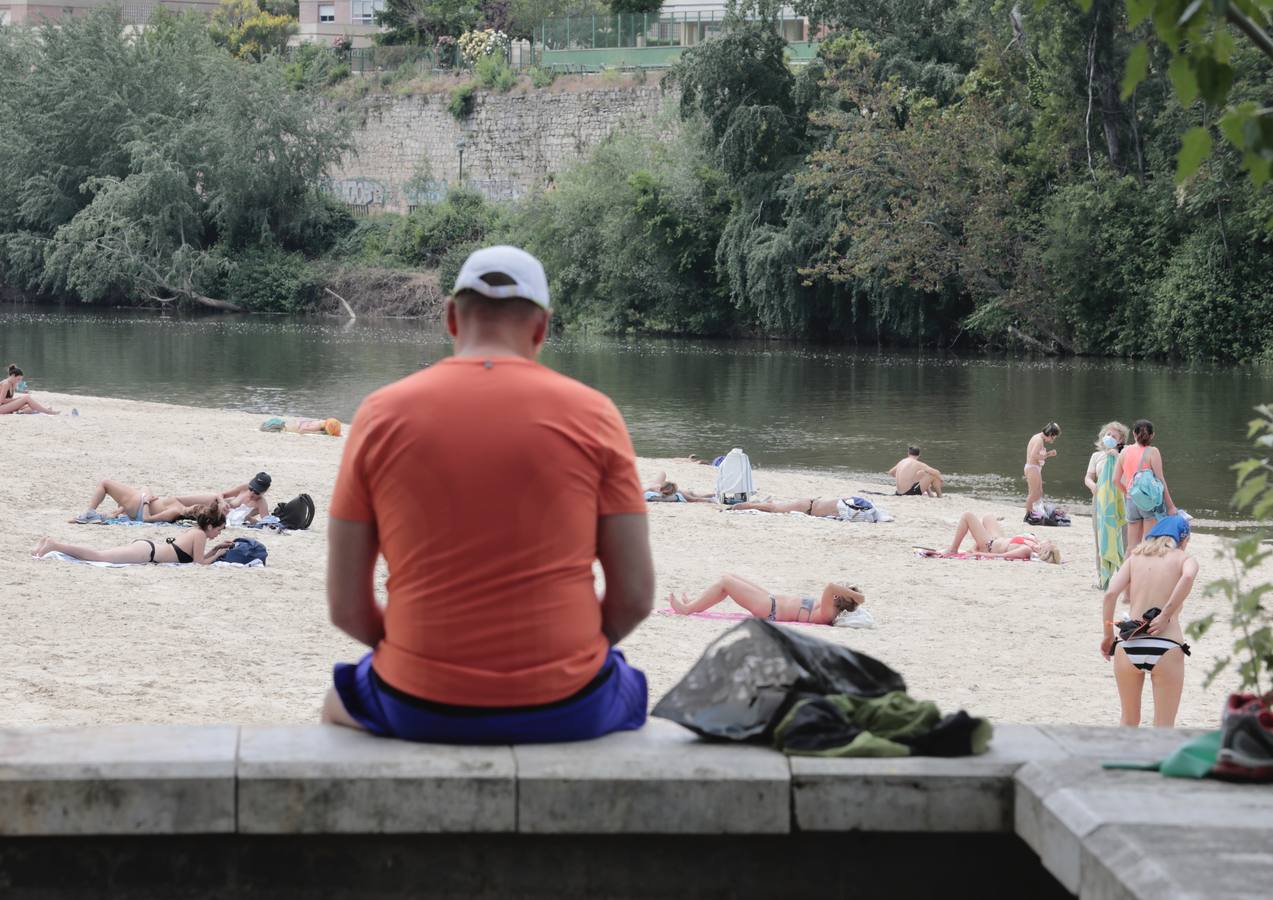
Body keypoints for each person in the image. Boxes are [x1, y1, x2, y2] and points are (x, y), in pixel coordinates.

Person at [323, 245, 654, 744]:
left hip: (417, 701)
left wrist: (416, 659)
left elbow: (346, 607)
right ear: (541, 328)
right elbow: (634, 596)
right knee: (629, 683)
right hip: (569, 703)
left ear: (451, 318)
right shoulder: (597, 416)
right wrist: (568, 659)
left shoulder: (379, 415)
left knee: (337, 699)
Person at [1100, 515, 1198, 728]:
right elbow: (1188, 577)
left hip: (1129, 644)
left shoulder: (1134, 558)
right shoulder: (1184, 559)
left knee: (1128, 721)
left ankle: (1122, 761)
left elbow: (1110, 595)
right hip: (1166, 644)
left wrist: (1108, 635)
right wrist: (1165, 615)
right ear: (1183, 539)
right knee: (1163, 725)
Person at [34, 504, 232, 565]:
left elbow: (198, 557)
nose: (218, 534)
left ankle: (49, 544)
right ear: (209, 526)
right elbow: (199, 563)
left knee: (100, 554)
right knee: (99, 556)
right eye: (218, 530)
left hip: (148, 548)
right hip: (147, 553)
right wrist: (218, 555)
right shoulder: (199, 535)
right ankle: (55, 544)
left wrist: (216, 548)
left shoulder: (197, 533)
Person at [71, 472, 270, 524]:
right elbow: (219, 495)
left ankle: (90, 513)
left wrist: (147, 499)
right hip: (141, 504)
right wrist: (221, 501)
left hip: (142, 506)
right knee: (143, 489)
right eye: (252, 488)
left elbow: (147, 519)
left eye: (257, 492)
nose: (252, 492)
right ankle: (113, 513)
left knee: (105, 483)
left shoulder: (177, 509)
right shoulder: (180, 506)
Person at [668, 575, 865, 625]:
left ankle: (687, 609)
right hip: (770, 600)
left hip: (769, 609)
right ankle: (692, 604)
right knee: (728, 577)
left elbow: (830, 586)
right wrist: (853, 595)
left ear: (841, 597)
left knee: (726, 582)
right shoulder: (830, 607)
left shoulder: (828, 612)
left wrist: (858, 596)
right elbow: (832, 588)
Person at [1117, 419, 1177, 550]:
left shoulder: (1124, 452)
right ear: (1152, 435)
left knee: (1131, 547)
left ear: (1133, 433)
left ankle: (1126, 570)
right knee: (1148, 545)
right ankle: (1144, 570)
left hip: (1131, 501)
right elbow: (1160, 480)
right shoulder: (1152, 452)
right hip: (1149, 502)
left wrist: (1128, 492)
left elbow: (1115, 480)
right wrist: (1171, 506)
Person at [1084, 421, 1130, 589]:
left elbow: (1130, 474)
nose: (1109, 438)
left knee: (1124, 540)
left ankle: (1124, 579)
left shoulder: (1125, 453)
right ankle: (1103, 579)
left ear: (1121, 440)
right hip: (1100, 502)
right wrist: (1093, 486)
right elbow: (1088, 477)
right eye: (1107, 435)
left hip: (1120, 502)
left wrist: (1116, 455)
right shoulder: (1096, 456)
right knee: (1100, 538)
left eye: (1114, 436)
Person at [945, 511, 1062, 563]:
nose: (1050, 541)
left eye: (1050, 544)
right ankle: (976, 542)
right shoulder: (1034, 542)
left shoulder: (1026, 550)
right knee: (988, 516)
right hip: (998, 538)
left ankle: (953, 549)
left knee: (967, 516)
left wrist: (977, 553)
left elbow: (1000, 556)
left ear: (1045, 550)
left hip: (989, 545)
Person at [1024, 422, 1061, 520]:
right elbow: (1033, 455)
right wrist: (1047, 455)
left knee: (1039, 492)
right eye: (1053, 438)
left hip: (1034, 467)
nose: (1052, 440)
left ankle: (1034, 511)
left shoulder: (1038, 438)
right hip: (1032, 468)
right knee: (1034, 493)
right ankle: (1028, 514)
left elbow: (1037, 456)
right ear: (1050, 434)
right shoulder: (1039, 440)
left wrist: (1048, 454)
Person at [729, 496, 875, 520]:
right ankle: (742, 506)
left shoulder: (849, 504)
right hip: (807, 507)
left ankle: (753, 504)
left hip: (810, 506)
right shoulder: (848, 508)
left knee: (774, 507)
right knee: (772, 508)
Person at [643, 471, 715, 503]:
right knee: (696, 495)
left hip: (679, 491)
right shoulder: (654, 487)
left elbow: (694, 499)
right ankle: (713, 495)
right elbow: (694, 499)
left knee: (694, 496)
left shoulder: (652, 487)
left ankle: (713, 496)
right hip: (679, 491)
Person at [261, 417, 342, 436]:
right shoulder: (317, 426)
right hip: (280, 426)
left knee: (266, 426)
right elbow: (302, 430)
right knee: (267, 428)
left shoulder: (320, 421)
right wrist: (319, 433)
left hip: (282, 423)